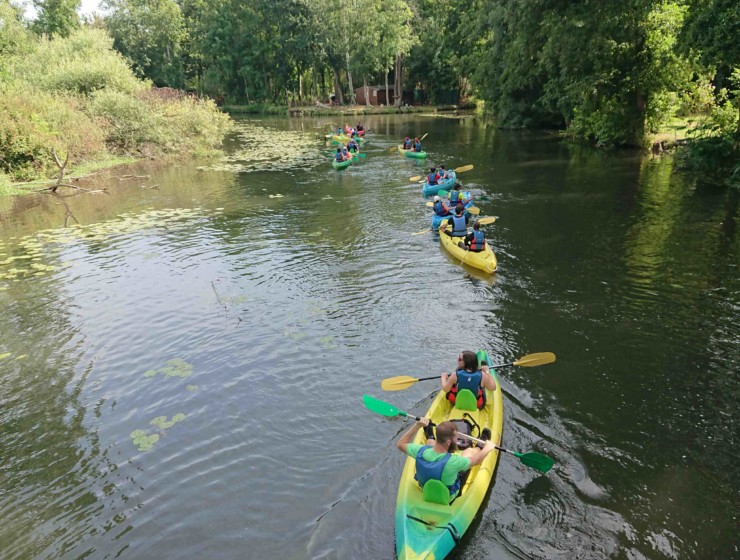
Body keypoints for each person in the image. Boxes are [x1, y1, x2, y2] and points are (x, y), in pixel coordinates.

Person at [396, 417, 496, 502]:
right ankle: (480, 444)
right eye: (456, 438)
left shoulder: (420, 451)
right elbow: (477, 460)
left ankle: (430, 434)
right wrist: (487, 447)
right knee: (469, 452)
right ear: (448, 442)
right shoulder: (455, 461)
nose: (457, 441)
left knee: (430, 446)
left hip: (425, 489)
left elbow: (400, 444)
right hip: (447, 497)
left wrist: (417, 425)